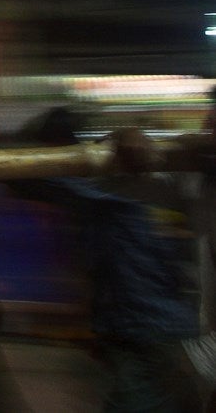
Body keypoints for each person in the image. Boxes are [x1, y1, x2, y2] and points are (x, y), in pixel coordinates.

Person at [11, 107, 206, 412]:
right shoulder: (173, 187)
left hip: (146, 330)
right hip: (165, 327)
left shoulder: (104, 194)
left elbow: (21, 168)